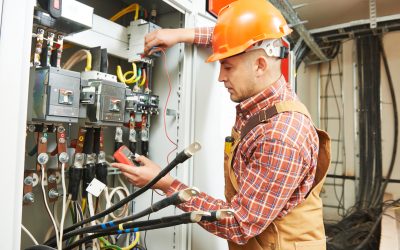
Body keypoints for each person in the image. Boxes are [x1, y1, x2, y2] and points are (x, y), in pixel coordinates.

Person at [112, 0, 331, 249]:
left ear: (260, 65)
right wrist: (180, 34)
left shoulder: (281, 135)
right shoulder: (264, 96)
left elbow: (238, 223)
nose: (221, 77)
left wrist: (165, 184)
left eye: (227, 67)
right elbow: (236, 42)